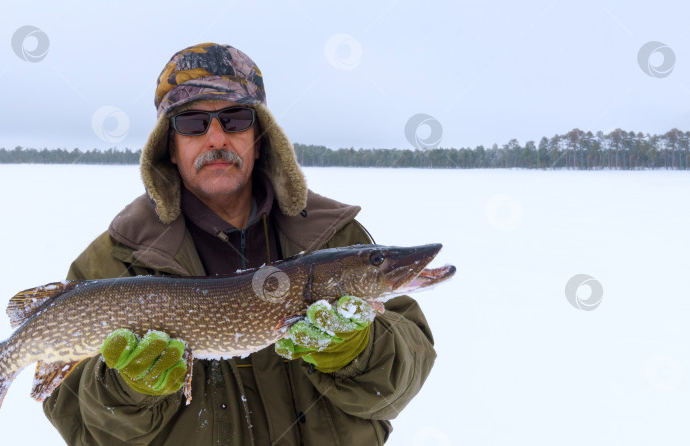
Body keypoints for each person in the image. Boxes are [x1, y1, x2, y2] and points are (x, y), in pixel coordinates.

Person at [42, 42, 436, 445]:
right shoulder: (115, 259)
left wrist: (358, 352)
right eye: (193, 124)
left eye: (235, 119)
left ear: (260, 137)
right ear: (170, 148)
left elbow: (405, 376)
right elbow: (79, 423)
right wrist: (128, 390)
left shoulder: (333, 235)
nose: (216, 138)